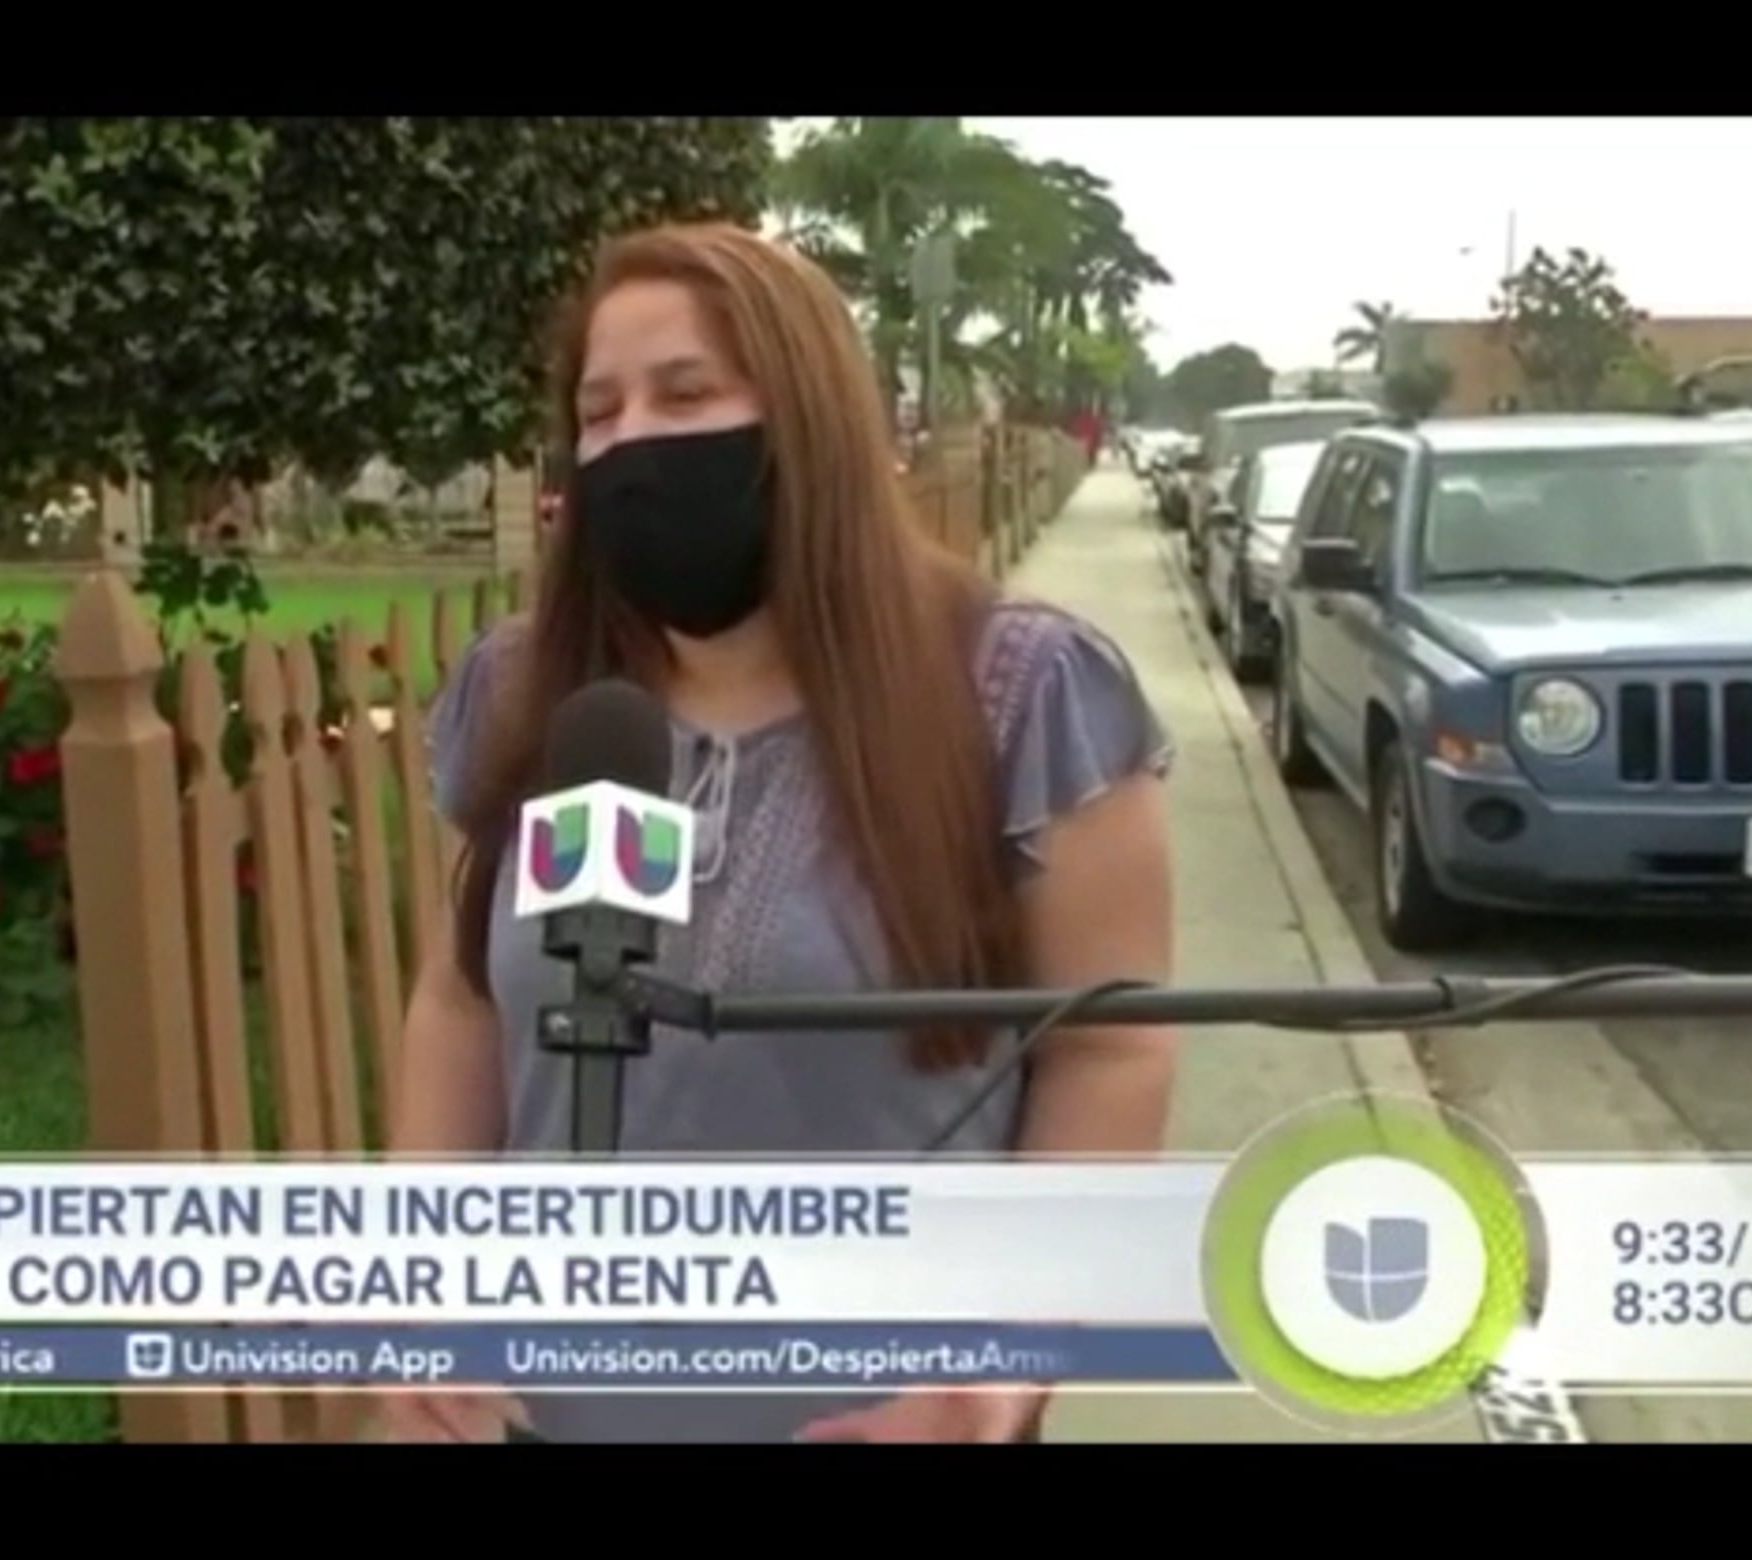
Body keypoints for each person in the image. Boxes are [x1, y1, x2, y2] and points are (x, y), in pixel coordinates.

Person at [379, 222, 1178, 1444]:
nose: (632, 442)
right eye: (598, 411)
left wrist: (1002, 1366)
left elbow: (1110, 1054)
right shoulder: (542, 696)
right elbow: (464, 1002)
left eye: (685, 394)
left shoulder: (1022, 694)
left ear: (810, 419)